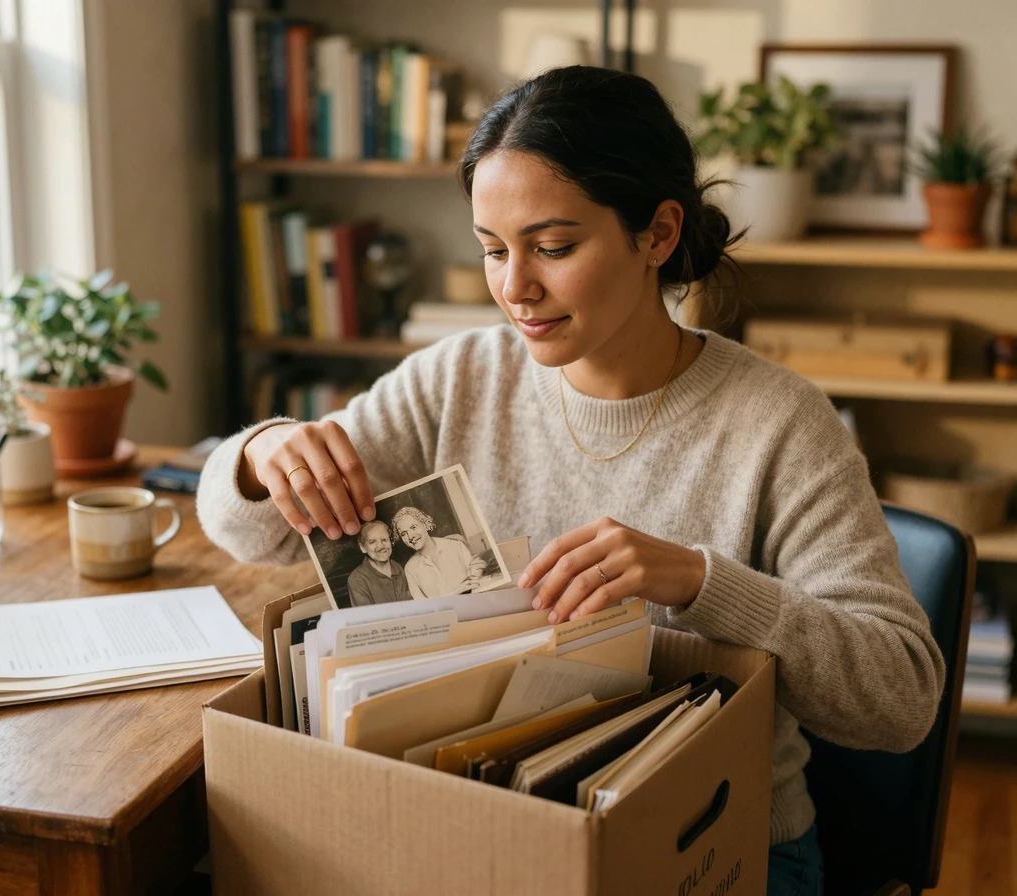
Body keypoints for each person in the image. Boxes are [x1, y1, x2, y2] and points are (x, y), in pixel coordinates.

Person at [197, 66, 943, 895]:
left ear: (658, 234)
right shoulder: (460, 380)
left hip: (711, 840)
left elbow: (903, 698)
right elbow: (249, 535)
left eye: (552, 248)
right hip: (482, 832)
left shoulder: (783, 425)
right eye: (492, 250)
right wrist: (265, 451)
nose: (515, 288)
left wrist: (702, 582)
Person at [390, 506, 487, 598]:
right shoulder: (410, 569)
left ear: (425, 523)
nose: (410, 536)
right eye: (403, 534)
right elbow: (423, 607)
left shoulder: (456, 545)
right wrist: (454, 593)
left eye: (413, 527)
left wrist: (477, 571)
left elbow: (478, 583)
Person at [346, 520, 411, 606]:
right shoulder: (357, 579)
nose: (380, 546)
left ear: (390, 542)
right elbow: (368, 617)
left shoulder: (397, 567)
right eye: (372, 542)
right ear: (362, 547)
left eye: (384, 540)